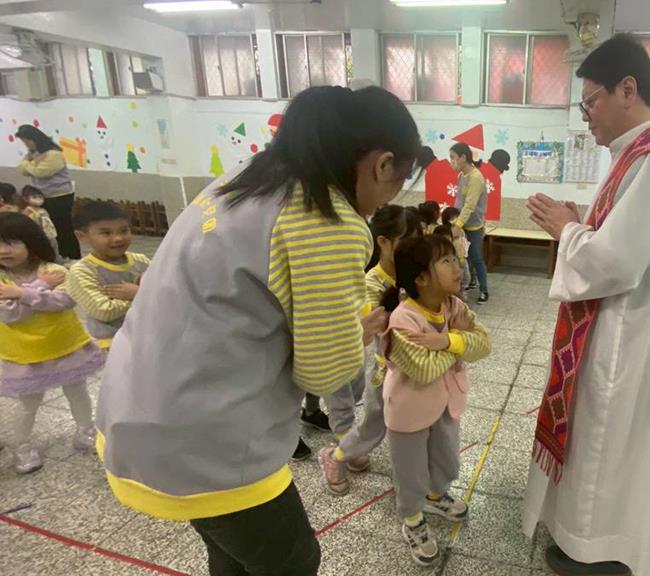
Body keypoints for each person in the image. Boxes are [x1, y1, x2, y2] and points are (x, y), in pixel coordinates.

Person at [94, 85, 416, 576]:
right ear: (383, 163)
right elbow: (324, 373)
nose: (388, 200)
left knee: (232, 554)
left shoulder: (247, 177)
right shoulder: (327, 220)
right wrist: (358, 332)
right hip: (209, 437)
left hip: (137, 404)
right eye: (400, 182)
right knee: (293, 560)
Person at [523, 34, 650, 576]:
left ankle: (595, 553)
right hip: (616, 325)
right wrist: (582, 226)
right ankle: (581, 538)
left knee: (605, 445)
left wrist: (568, 230)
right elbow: (619, 243)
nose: (587, 118)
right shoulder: (638, 155)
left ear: (627, 89)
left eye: (590, 102)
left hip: (627, 333)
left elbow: (618, 263)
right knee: (596, 442)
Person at [381, 234, 491, 566]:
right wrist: (460, 340)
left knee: (445, 458)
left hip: (446, 402)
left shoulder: (453, 306)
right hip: (408, 408)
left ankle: (435, 495)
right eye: (446, 261)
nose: (458, 266)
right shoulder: (403, 319)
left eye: (456, 258)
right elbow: (424, 370)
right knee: (410, 469)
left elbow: (484, 345)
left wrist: (446, 341)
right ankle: (413, 519)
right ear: (421, 278)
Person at [320, 204, 422, 496]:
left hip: (419, 366)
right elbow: (383, 326)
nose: (414, 250)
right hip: (386, 369)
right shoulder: (371, 282)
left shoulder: (416, 271)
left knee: (418, 424)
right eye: (407, 241)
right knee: (372, 426)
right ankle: (335, 456)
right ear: (384, 242)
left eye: (418, 242)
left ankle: (416, 482)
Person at [0, 212, 104, 474]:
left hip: (65, 345)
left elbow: (64, 301)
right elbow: (11, 315)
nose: (3, 250)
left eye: (11, 242)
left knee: (77, 392)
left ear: (31, 241)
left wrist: (21, 293)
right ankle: (22, 446)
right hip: (26, 353)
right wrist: (39, 287)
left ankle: (85, 431)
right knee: (28, 403)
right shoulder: (3, 280)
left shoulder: (54, 270)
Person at [65, 201, 150, 350]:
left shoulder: (141, 260)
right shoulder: (82, 270)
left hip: (149, 333)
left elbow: (165, 291)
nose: (118, 238)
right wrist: (140, 295)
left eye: (124, 231)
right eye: (106, 233)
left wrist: (141, 294)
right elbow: (103, 311)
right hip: (113, 341)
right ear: (82, 236)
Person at [16, 125, 80, 260]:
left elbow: (41, 172)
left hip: (60, 196)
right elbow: (22, 170)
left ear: (35, 139)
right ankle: (56, 256)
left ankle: (73, 257)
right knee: (48, 229)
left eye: (27, 141)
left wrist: (28, 163)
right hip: (44, 196)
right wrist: (30, 163)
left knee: (62, 228)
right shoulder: (35, 154)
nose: (26, 145)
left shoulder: (54, 154)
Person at [450, 142, 489, 303]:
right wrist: (454, 220)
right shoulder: (462, 176)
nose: (451, 161)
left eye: (453, 157)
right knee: (464, 256)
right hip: (461, 222)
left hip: (474, 225)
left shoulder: (476, 177)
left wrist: (457, 225)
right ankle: (472, 281)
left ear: (463, 157)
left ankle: (484, 290)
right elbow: (459, 200)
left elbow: (470, 205)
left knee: (476, 256)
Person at [20, 186, 60, 258]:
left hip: (49, 233)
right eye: (34, 197)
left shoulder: (43, 210)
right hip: (37, 234)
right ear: (25, 198)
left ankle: (56, 258)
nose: (38, 199)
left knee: (54, 246)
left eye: (40, 197)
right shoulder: (28, 210)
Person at [441, 206, 471, 296]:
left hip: (463, 257)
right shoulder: (446, 231)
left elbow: (464, 241)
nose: (455, 220)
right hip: (454, 258)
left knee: (466, 276)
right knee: (456, 276)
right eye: (453, 218)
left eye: (457, 217)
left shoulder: (461, 230)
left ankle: (463, 291)